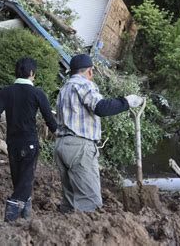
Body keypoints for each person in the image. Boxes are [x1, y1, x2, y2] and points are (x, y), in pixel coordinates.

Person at [54, 53, 143, 213]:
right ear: (89, 71)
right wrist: (127, 102)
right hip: (79, 147)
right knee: (90, 202)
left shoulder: (64, 88)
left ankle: (65, 235)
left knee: (70, 200)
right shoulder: (85, 84)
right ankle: (89, 235)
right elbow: (100, 107)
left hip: (62, 145)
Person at [0, 57, 57, 222]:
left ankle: (24, 218)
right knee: (25, 180)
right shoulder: (37, 93)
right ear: (31, 73)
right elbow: (49, 118)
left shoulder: (6, 92)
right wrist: (57, 131)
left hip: (12, 143)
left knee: (19, 180)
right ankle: (11, 219)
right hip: (29, 142)